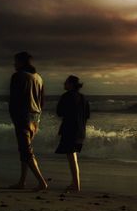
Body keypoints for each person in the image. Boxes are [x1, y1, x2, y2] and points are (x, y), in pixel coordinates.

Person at [9, 51, 48, 191]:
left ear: (21, 62)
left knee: (26, 151)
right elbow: (42, 102)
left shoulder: (18, 76)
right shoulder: (39, 78)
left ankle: (42, 182)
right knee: (25, 149)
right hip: (36, 116)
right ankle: (22, 181)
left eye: (16, 61)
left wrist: (14, 116)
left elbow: (14, 99)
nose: (14, 64)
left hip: (23, 115)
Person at [55, 75, 90, 192]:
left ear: (70, 84)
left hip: (69, 130)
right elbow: (87, 115)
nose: (64, 84)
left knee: (71, 156)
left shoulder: (66, 96)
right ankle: (75, 183)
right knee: (73, 156)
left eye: (66, 82)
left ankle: (76, 184)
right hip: (81, 131)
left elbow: (59, 112)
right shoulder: (83, 98)